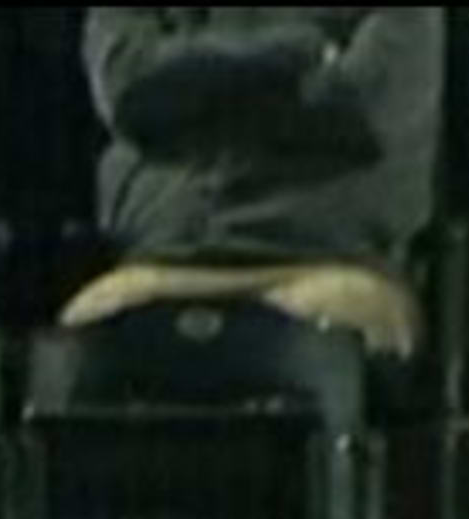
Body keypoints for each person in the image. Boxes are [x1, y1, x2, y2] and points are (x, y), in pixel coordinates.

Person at [62, 9, 439, 359]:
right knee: (83, 335)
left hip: (331, 264)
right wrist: (297, 52)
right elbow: (126, 86)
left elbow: (365, 103)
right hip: (158, 263)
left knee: (327, 334)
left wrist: (190, 98)